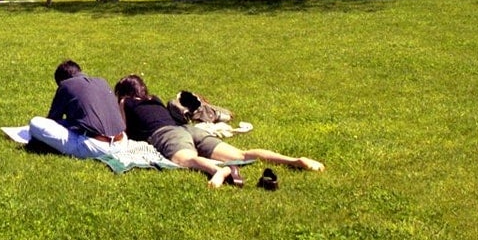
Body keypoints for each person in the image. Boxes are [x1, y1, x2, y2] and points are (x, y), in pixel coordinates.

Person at [114, 74, 324, 188]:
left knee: (186, 159)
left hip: (165, 134)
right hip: (188, 129)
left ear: (123, 93)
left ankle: (218, 171)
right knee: (242, 154)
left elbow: (122, 129)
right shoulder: (155, 99)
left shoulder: (125, 102)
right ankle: (295, 160)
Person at [28, 60, 128, 159]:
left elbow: (52, 119)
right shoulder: (102, 81)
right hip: (122, 142)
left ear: (61, 80)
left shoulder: (65, 85)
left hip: (96, 147)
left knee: (35, 122)